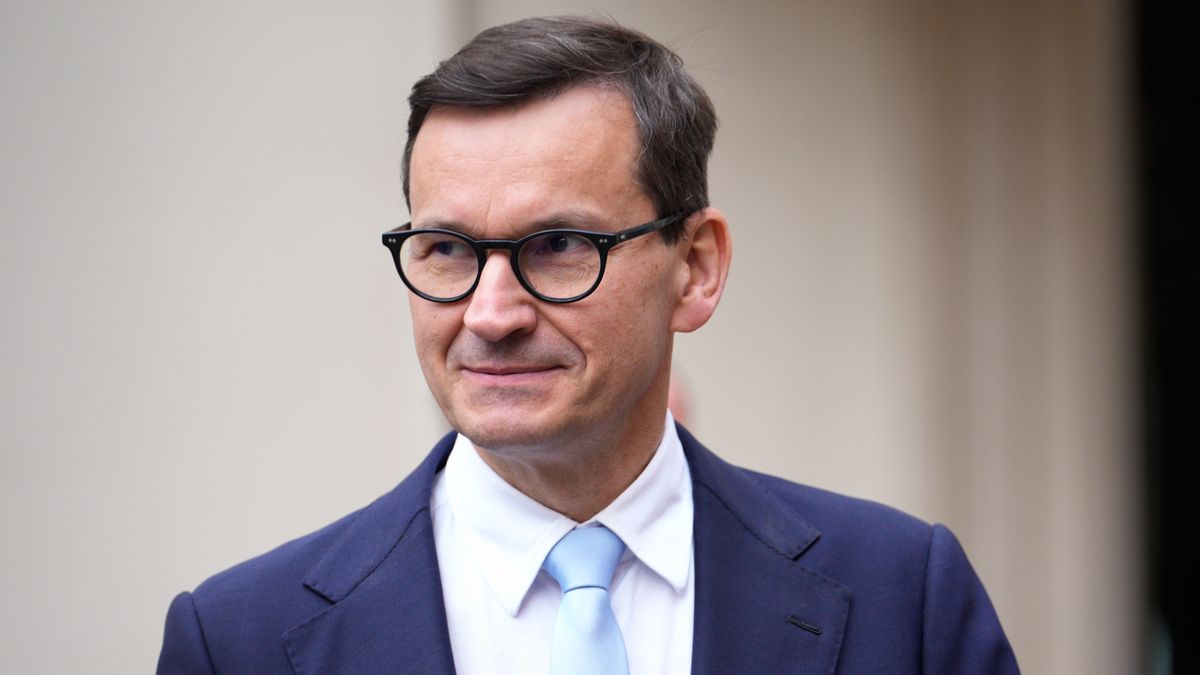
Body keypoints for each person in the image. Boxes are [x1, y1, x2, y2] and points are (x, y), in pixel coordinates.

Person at [157, 16, 1019, 675]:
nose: (491, 314)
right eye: (449, 249)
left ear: (696, 267)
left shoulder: (902, 600)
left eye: (560, 245)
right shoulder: (238, 640)